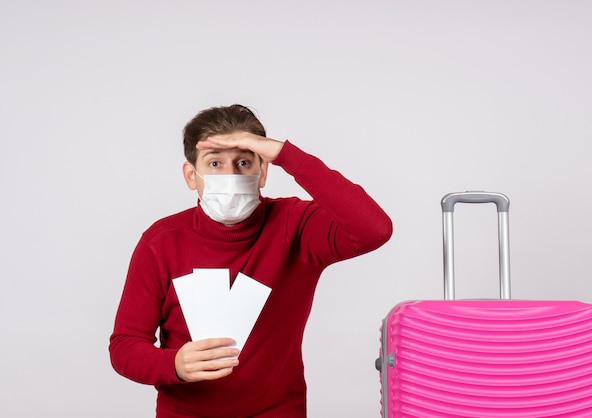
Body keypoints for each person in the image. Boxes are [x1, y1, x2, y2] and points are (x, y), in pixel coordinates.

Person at [109, 104, 393, 417]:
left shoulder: (295, 226)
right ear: (191, 175)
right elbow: (125, 346)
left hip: (277, 410)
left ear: (263, 172)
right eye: (215, 163)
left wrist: (287, 155)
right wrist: (173, 364)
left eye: (244, 162)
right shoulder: (160, 242)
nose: (230, 175)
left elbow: (374, 229)